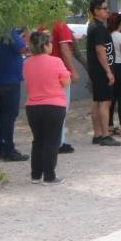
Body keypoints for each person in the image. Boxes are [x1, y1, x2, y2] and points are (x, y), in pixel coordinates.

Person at [22, 31, 71, 184]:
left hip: (33, 107)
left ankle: (35, 175)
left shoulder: (26, 63)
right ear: (45, 45)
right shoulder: (56, 61)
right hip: (54, 106)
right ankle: (49, 176)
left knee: (38, 141)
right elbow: (65, 82)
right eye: (50, 43)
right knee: (52, 141)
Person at [0, 27, 29, 162]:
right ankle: (9, 149)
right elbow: (22, 48)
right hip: (11, 79)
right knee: (9, 116)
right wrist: (26, 35)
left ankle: (0, 148)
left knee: (0, 115)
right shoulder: (8, 31)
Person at [85, 0, 121, 146]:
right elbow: (100, 51)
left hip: (96, 70)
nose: (108, 11)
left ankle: (98, 134)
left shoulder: (93, 26)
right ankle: (105, 135)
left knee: (97, 101)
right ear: (96, 11)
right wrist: (108, 71)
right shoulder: (98, 28)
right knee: (105, 102)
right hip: (100, 70)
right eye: (105, 9)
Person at [49, 9, 86, 154]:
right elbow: (65, 49)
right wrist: (73, 71)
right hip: (59, 73)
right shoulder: (60, 25)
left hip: (45, 72)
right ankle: (59, 142)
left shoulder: (41, 26)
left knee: (49, 109)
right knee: (61, 109)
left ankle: (51, 140)